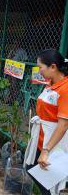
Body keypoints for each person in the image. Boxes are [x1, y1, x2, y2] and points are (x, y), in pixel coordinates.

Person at [25, 49, 68, 195]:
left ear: (53, 67)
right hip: (41, 138)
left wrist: (46, 150)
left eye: (40, 67)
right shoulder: (50, 84)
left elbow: (63, 125)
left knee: (49, 182)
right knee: (31, 168)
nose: (39, 70)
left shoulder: (65, 89)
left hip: (53, 143)